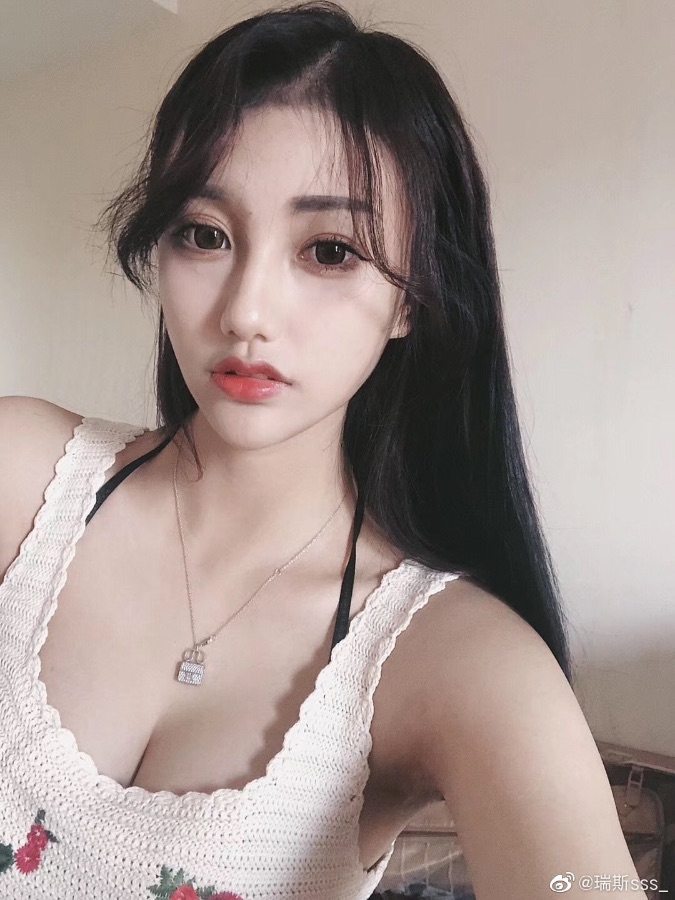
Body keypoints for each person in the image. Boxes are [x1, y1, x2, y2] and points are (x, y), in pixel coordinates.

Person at [0, 2, 645, 899]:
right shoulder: (21, 477)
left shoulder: (456, 660)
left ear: (412, 299)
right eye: (204, 234)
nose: (246, 311)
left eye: (330, 251)